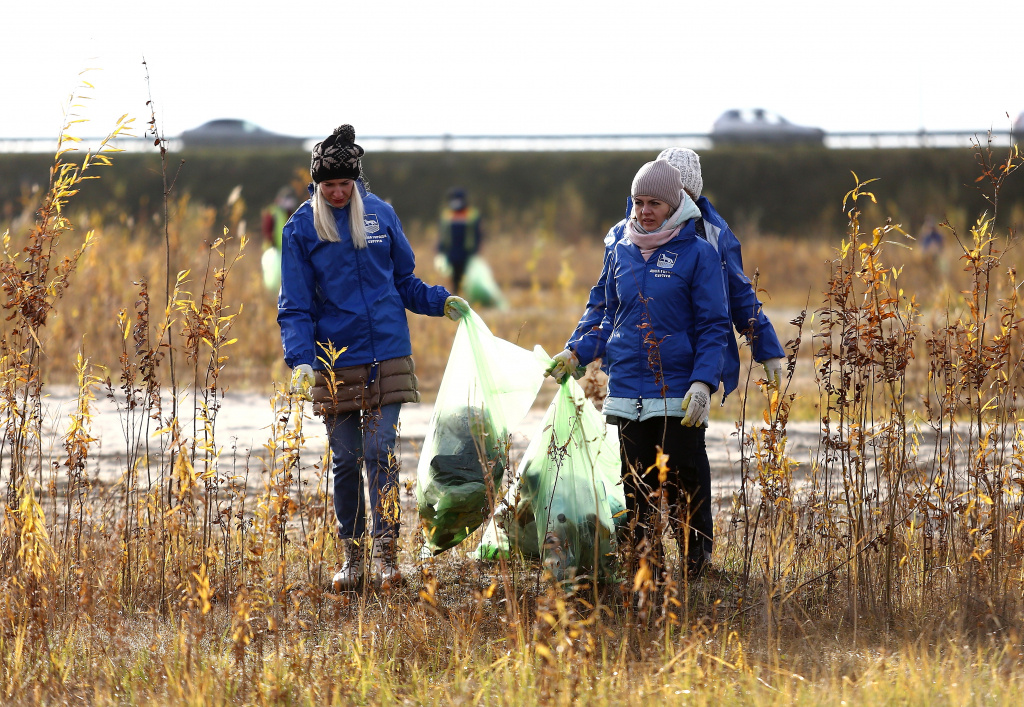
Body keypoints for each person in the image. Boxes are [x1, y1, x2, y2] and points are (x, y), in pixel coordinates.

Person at [277, 124, 469, 590]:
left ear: (356, 179)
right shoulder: (300, 228)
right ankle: (354, 559)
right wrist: (301, 359)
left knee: (379, 451)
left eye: (344, 183)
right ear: (316, 184)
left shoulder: (381, 215)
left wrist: (440, 301)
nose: (337, 193)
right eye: (328, 185)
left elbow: (404, 282)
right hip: (334, 359)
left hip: (387, 352)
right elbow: (295, 305)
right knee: (345, 459)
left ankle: (387, 557)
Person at [548, 159, 732, 580]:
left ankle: (696, 568)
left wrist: (703, 382)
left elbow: (713, 325)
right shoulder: (620, 249)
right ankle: (648, 573)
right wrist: (576, 353)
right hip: (629, 391)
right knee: (637, 487)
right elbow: (606, 315)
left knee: (684, 483)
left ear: (674, 205)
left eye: (654, 203)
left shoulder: (698, 253)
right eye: (638, 202)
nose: (645, 211)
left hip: (678, 393)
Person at [569, 147, 785, 399]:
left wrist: (766, 347)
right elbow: (604, 300)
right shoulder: (623, 237)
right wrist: (575, 351)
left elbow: (738, 294)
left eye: (685, 196)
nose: (679, 204)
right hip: (631, 370)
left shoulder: (713, 235)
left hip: (690, 364)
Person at [437, 187, 483, 294]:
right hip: (451, 252)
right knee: (454, 276)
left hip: (467, 251)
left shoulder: (472, 214)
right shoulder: (447, 215)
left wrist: (476, 250)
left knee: (468, 275)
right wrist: (440, 250)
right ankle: (456, 294)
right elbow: (443, 234)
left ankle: (465, 294)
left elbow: (477, 234)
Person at [261, 187, 298, 292]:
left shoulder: (291, 212)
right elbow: (267, 229)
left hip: (287, 250)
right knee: (273, 278)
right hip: (273, 249)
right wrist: (271, 242)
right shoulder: (273, 211)